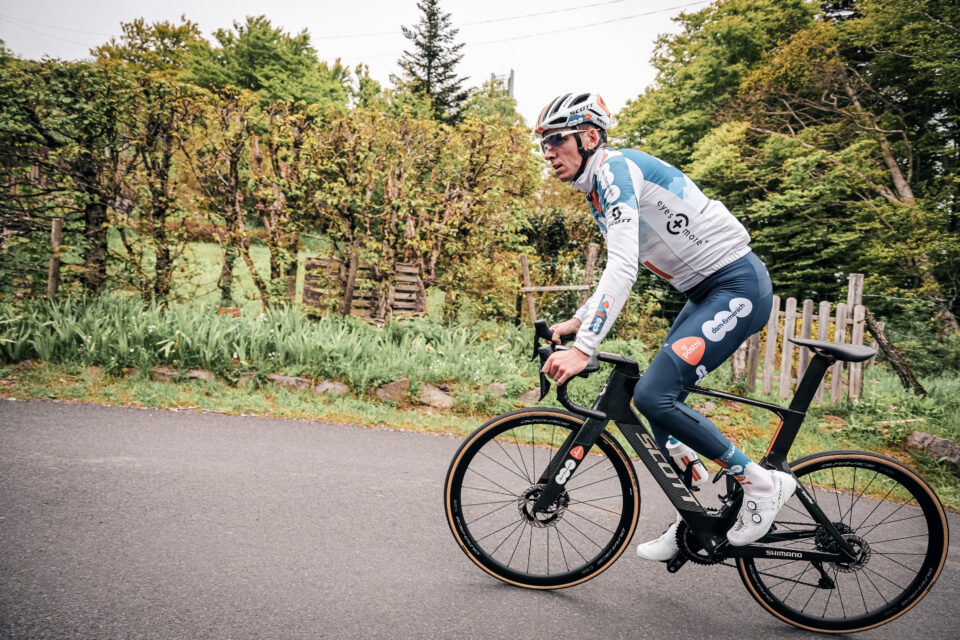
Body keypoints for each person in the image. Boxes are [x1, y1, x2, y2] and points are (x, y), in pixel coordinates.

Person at [534, 92, 797, 561]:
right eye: (543, 143)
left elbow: (621, 269)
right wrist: (578, 323)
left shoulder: (615, 171)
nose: (548, 151)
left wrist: (585, 347)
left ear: (590, 136)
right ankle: (694, 512)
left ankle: (762, 483)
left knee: (654, 395)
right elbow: (619, 265)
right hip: (706, 292)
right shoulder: (600, 188)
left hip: (736, 285)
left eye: (556, 139)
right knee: (655, 402)